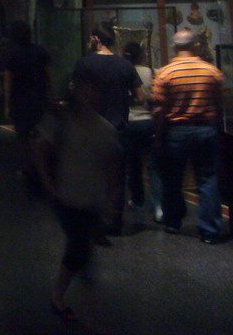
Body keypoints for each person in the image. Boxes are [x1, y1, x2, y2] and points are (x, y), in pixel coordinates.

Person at [33, 71, 122, 323]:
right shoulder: (65, 120)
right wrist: (48, 183)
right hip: (68, 195)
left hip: (86, 196)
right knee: (78, 245)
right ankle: (58, 297)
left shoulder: (101, 128)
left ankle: (71, 284)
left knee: (80, 244)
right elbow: (41, 149)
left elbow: (110, 166)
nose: (87, 95)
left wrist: (111, 198)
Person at [151, 29, 226, 244]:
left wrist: (158, 134)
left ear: (175, 47)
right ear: (195, 46)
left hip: (176, 131)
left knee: (173, 179)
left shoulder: (165, 73)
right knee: (208, 180)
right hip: (206, 130)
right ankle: (210, 230)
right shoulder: (212, 71)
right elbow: (220, 104)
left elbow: (158, 109)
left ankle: (173, 222)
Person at [70, 26, 142, 231]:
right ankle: (116, 217)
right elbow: (140, 96)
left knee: (92, 175)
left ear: (96, 39)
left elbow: (77, 94)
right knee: (117, 177)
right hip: (118, 127)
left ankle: (94, 217)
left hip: (91, 127)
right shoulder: (125, 65)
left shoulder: (85, 64)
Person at [1, 20, 51, 190]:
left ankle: (29, 168)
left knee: (23, 137)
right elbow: (47, 76)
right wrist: (50, 96)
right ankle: (42, 168)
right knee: (39, 134)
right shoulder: (40, 51)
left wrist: (7, 103)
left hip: (20, 100)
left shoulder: (11, 54)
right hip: (39, 98)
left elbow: (8, 80)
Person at [120, 41, 162, 220]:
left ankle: (137, 201)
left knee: (134, 166)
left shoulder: (122, 71)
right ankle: (158, 204)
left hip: (129, 122)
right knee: (154, 166)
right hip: (148, 121)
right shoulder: (152, 72)